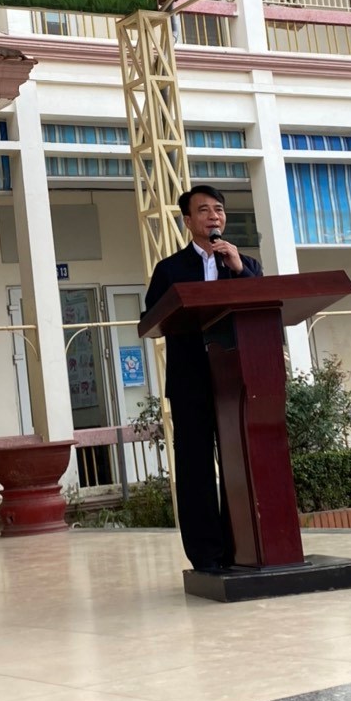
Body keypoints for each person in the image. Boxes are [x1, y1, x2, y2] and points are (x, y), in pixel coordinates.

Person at [143, 185, 262, 572]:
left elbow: (261, 303)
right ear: (188, 221)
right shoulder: (170, 270)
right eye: (204, 210)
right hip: (190, 380)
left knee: (238, 464)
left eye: (219, 210)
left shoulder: (244, 264)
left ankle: (242, 546)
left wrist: (239, 270)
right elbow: (152, 319)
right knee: (195, 469)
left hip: (235, 381)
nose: (214, 216)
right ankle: (207, 555)